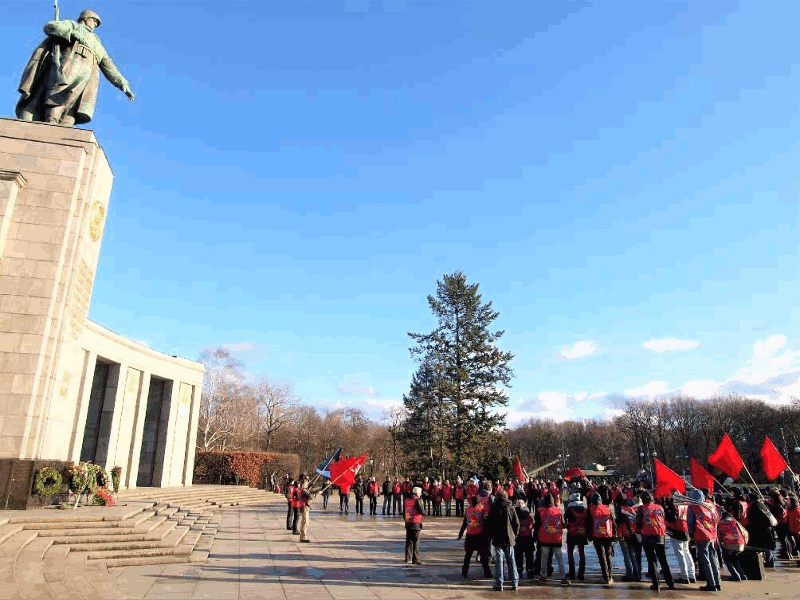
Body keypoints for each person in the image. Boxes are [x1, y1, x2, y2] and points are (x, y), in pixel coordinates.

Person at [16, 9, 135, 127]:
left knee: (73, 104)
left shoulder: (96, 42)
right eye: (94, 21)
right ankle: (51, 123)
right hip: (69, 65)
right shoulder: (72, 25)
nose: (95, 24)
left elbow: (108, 65)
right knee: (58, 95)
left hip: (87, 76)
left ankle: (64, 128)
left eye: (97, 23)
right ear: (84, 19)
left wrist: (122, 83)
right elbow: (50, 26)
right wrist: (72, 33)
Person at [636, 491, 675, 592]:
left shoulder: (642, 508)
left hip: (648, 534)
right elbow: (664, 518)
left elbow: (639, 523)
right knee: (663, 559)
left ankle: (656, 584)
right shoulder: (659, 507)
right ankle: (670, 583)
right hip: (660, 533)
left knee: (651, 560)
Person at [687, 488, 721, 592]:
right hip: (712, 535)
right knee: (713, 559)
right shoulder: (710, 505)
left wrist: (691, 536)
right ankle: (717, 583)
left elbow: (690, 523)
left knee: (705, 561)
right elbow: (717, 519)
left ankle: (711, 584)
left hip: (701, 535)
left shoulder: (692, 507)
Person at [486, 489, 520, 591]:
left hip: (498, 537)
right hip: (509, 537)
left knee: (499, 562)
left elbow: (490, 523)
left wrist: (491, 535)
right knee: (511, 560)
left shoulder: (494, 507)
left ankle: (499, 583)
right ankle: (514, 582)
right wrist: (515, 535)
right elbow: (516, 523)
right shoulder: (511, 507)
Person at [534, 493, 569, 586]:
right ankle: (563, 577)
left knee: (544, 559)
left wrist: (535, 537)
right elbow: (564, 524)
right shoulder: (558, 511)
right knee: (560, 559)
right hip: (556, 538)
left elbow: (536, 525)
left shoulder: (540, 511)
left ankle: (543, 576)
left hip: (544, 538)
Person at [458, 495, 493, 580]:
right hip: (479, 535)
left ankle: (464, 572)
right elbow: (485, 522)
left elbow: (464, 523)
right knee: (483, 556)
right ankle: (487, 573)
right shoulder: (481, 510)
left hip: (470, 535)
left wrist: (460, 534)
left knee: (468, 555)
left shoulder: (467, 510)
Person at [664, 497, 695, 584]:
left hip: (676, 530)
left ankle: (685, 576)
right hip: (685, 529)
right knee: (686, 552)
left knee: (680, 554)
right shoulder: (686, 505)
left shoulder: (675, 506)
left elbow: (671, 518)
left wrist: (668, 508)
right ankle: (691, 574)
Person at [587, 492, 616, 584]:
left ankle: (605, 576)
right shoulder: (607, 508)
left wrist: (589, 536)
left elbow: (588, 524)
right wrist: (615, 534)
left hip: (597, 535)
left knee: (602, 556)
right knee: (608, 556)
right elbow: (613, 522)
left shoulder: (590, 509)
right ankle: (610, 576)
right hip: (608, 534)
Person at [745, 492, 776, 568]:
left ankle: (769, 564)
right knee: (767, 548)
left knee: (764, 548)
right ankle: (770, 563)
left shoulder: (755, 506)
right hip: (767, 529)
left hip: (761, 530)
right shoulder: (761, 504)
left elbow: (752, 519)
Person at [616, 496, 642, 582]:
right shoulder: (632, 509)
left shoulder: (621, 510)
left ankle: (629, 574)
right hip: (634, 534)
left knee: (627, 556)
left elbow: (619, 523)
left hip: (624, 534)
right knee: (633, 556)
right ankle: (637, 573)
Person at [718, 508, 748, 581]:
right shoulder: (735, 522)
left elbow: (719, 536)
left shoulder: (720, 523)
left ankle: (735, 575)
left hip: (728, 544)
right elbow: (745, 532)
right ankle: (742, 575)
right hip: (739, 543)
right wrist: (744, 543)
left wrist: (720, 544)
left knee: (727, 560)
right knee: (735, 559)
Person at [565, 493, 588, 582]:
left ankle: (572, 573)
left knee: (570, 553)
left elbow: (564, 519)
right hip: (582, 532)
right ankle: (581, 573)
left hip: (572, 532)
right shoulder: (585, 509)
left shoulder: (569, 509)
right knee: (581, 553)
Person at [514, 498, 536, 581]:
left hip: (518, 537)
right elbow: (532, 524)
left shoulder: (515, 513)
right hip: (528, 536)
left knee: (518, 555)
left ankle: (519, 570)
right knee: (529, 555)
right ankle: (529, 570)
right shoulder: (528, 514)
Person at [404, 487, 424, 564]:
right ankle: (415, 558)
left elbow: (405, 511)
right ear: (417, 493)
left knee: (409, 541)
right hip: (416, 522)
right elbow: (421, 510)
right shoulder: (417, 500)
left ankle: (407, 557)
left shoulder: (407, 500)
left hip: (408, 522)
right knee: (416, 541)